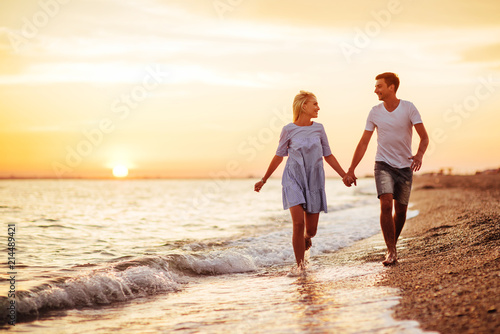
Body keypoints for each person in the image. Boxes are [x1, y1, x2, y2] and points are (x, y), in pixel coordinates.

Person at [254, 90, 348, 272]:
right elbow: (279, 156)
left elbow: (328, 155)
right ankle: (301, 267)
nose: (318, 107)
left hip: (314, 179)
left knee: (311, 230)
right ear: (304, 106)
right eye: (315, 104)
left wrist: (344, 175)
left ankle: (306, 237)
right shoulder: (288, 129)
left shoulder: (319, 128)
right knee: (298, 223)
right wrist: (263, 179)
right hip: (293, 178)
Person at [343, 72, 429, 266]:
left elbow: (424, 137)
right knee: (386, 205)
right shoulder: (375, 112)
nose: (375, 90)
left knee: (400, 212)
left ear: (391, 87)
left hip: (405, 166)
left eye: (379, 86)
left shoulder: (409, 108)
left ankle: (392, 245)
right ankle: (391, 251)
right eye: (376, 87)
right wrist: (351, 169)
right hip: (383, 164)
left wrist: (419, 155)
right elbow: (364, 142)